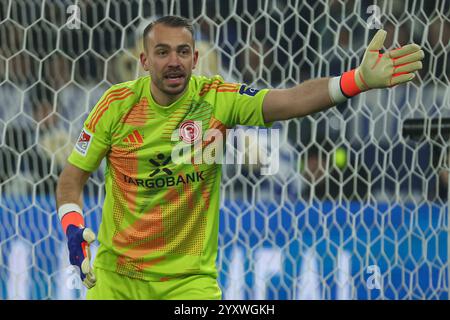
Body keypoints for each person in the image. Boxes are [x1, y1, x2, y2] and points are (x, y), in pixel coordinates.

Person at [55, 15, 424, 299]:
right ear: (144, 60)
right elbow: (72, 178)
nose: (174, 61)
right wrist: (72, 226)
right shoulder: (116, 105)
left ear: (196, 58)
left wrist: (356, 79)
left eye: (183, 52)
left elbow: (290, 100)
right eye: (162, 52)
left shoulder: (218, 98)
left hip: (189, 283)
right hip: (118, 279)